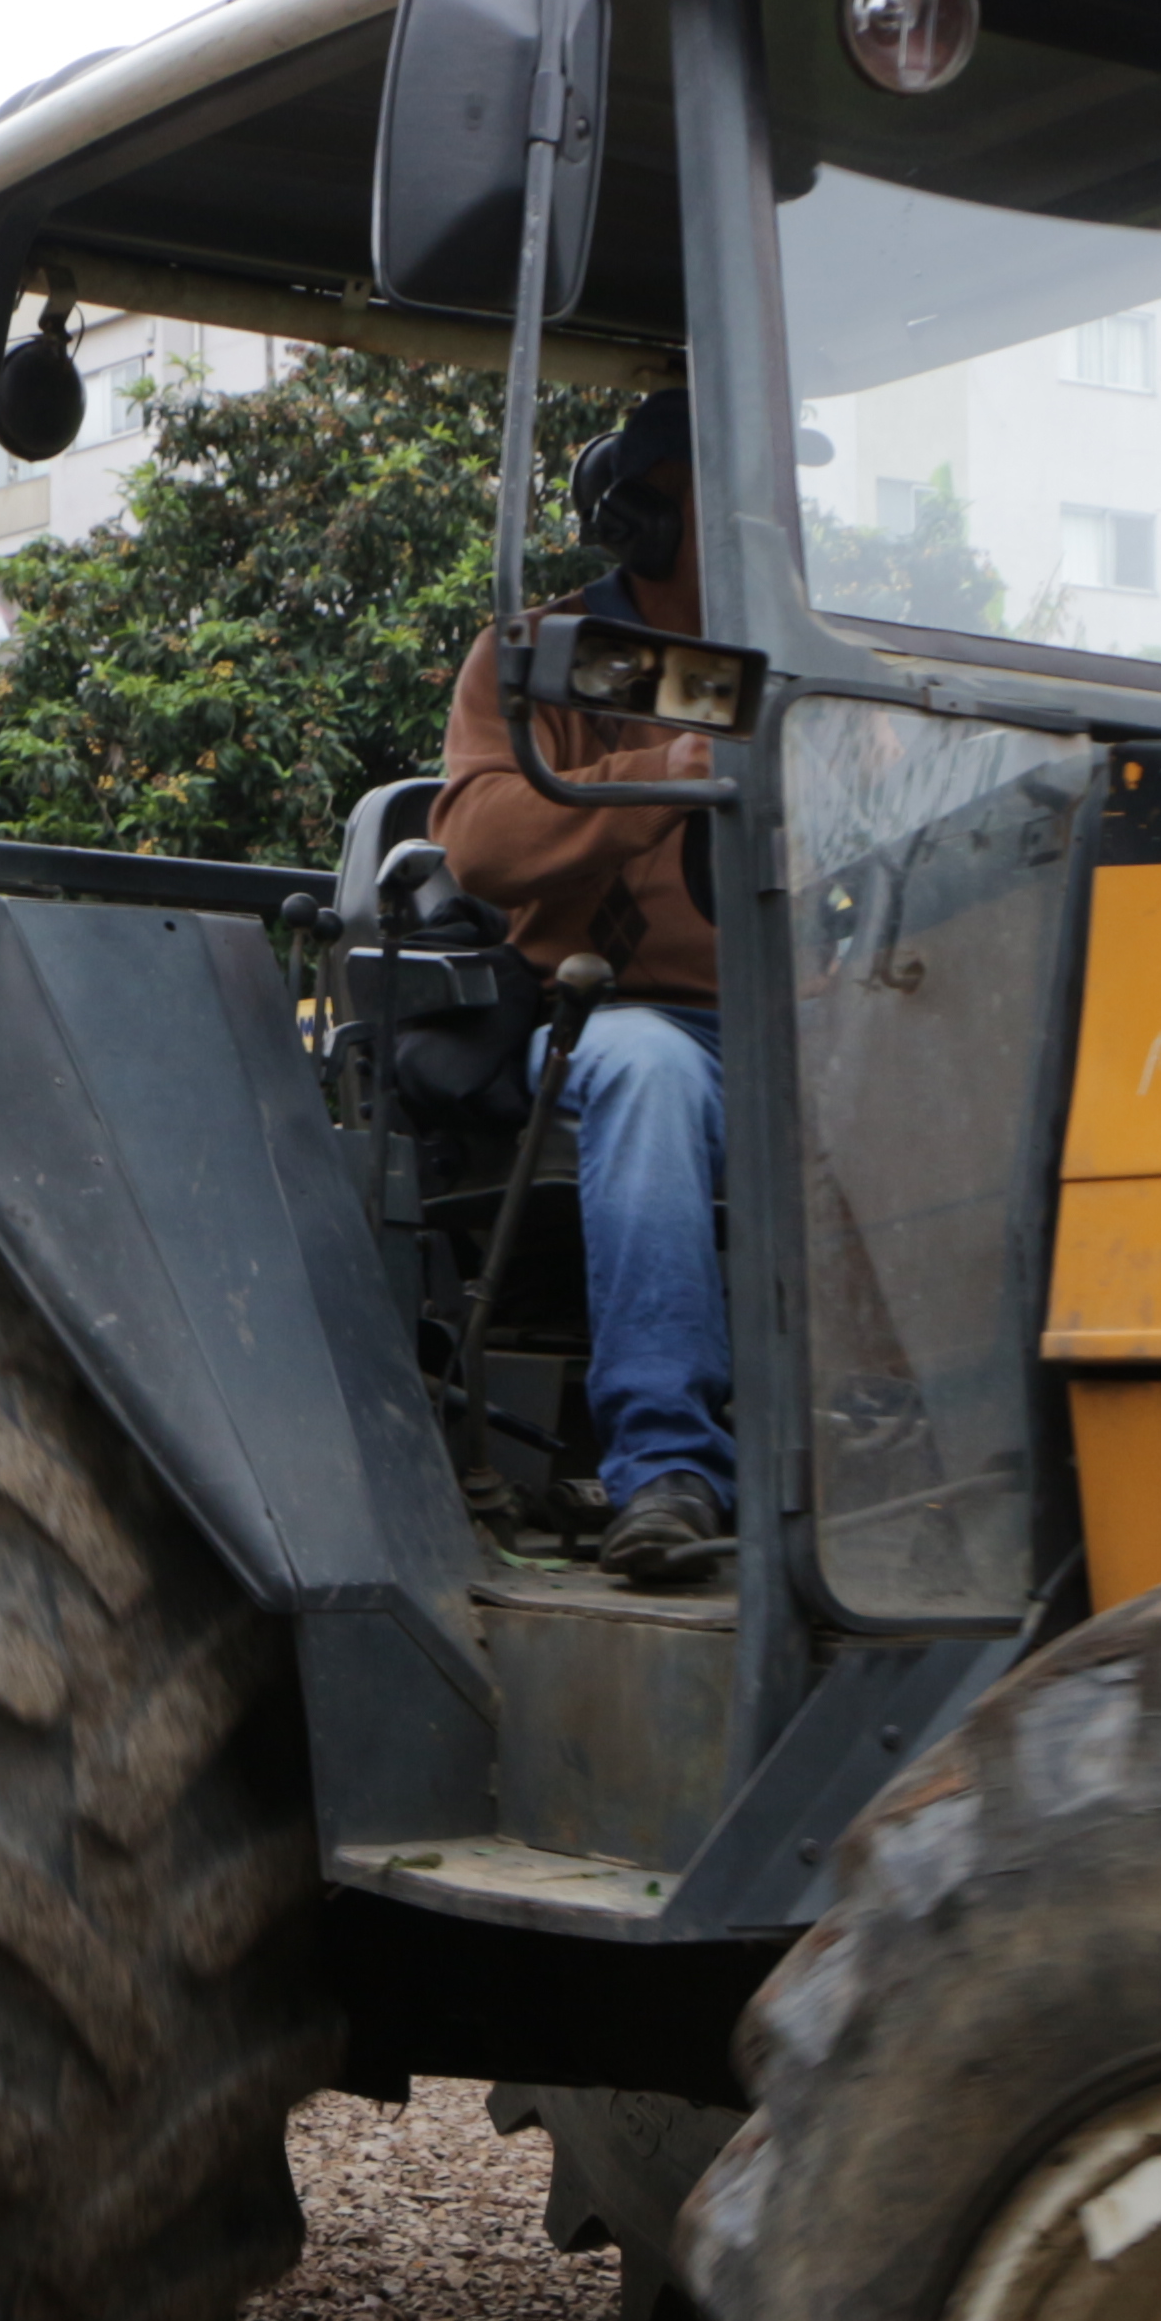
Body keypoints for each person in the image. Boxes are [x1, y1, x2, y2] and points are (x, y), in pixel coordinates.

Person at [435, 387, 731, 1588]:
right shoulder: (548, 661)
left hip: (819, 1020)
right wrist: (667, 771)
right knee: (654, 1075)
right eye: (740, 498)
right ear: (648, 523)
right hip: (615, 1020)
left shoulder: (814, 658)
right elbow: (483, 842)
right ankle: (666, 1470)